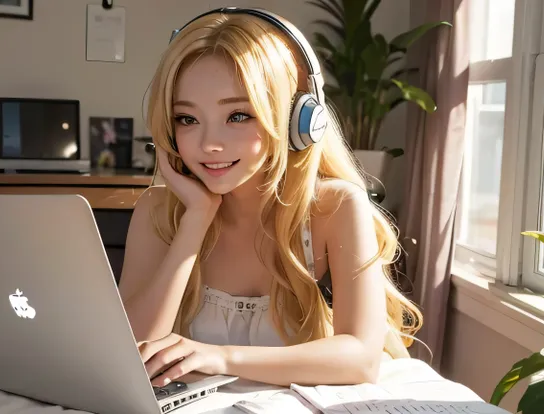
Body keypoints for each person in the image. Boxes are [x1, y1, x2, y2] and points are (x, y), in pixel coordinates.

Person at [118, 8, 422, 388]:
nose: (210, 144)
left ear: (296, 120)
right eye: (187, 119)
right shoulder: (158, 213)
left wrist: (220, 357)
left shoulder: (335, 207)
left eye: (239, 116)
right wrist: (196, 218)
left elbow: (360, 359)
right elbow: (129, 352)